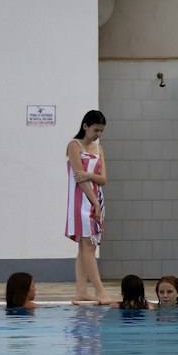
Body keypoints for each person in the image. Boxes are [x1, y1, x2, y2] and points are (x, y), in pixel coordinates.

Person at [66, 110, 111, 305]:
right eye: (95, 130)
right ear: (85, 126)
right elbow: (79, 178)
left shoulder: (99, 149)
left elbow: (103, 179)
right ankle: (100, 291)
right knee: (89, 246)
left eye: (101, 131)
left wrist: (90, 175)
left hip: (97, 199)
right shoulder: (74, 146)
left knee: (84, 247)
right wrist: (93, 202)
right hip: (81, 201)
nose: (98, 134)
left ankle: (81, 291)